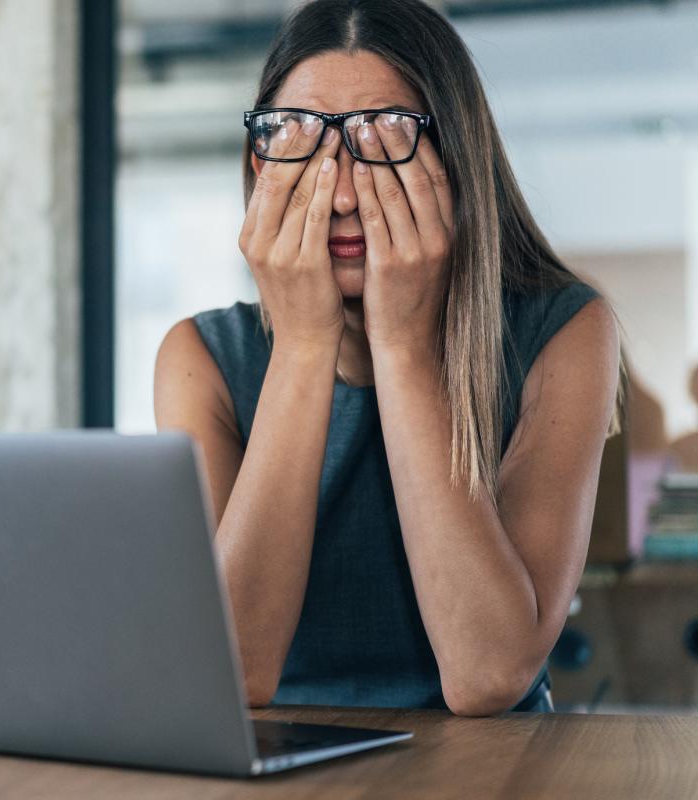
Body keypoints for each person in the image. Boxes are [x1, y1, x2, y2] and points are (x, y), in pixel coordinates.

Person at [153, 0, 623, 716]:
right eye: (302, 138)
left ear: (457, 161)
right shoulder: (201, 359)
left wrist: (401, 345)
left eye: (387, 137)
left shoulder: (566, 332)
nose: (341, 194)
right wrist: (305, 346)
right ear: (261, 161)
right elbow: (230, 674)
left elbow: (490, 674)